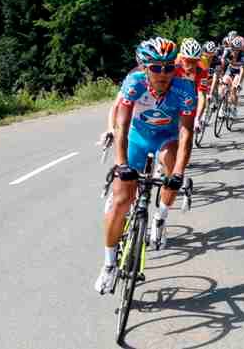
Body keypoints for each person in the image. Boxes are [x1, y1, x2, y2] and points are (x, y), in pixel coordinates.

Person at [95, 37, 197, 294]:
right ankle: (108, 265)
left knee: (172, 165)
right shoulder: (134, 82)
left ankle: (160, 217)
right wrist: (120, 164)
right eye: (155, 67)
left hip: (167, 138)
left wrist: (179, 173)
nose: (162, 74)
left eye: (167, 67)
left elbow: (186, 134)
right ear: (144, 67)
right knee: (120, 201)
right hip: (137, 139)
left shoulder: (185, 88)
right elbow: (122, 124)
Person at [175, 38, 206, 132]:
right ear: (182, 58)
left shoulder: (202, 69)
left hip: (191, 94)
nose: (191, 66)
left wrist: (197, 118)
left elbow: (202, 95)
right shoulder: (174, 64)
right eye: (188, 61)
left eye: (194, 62)